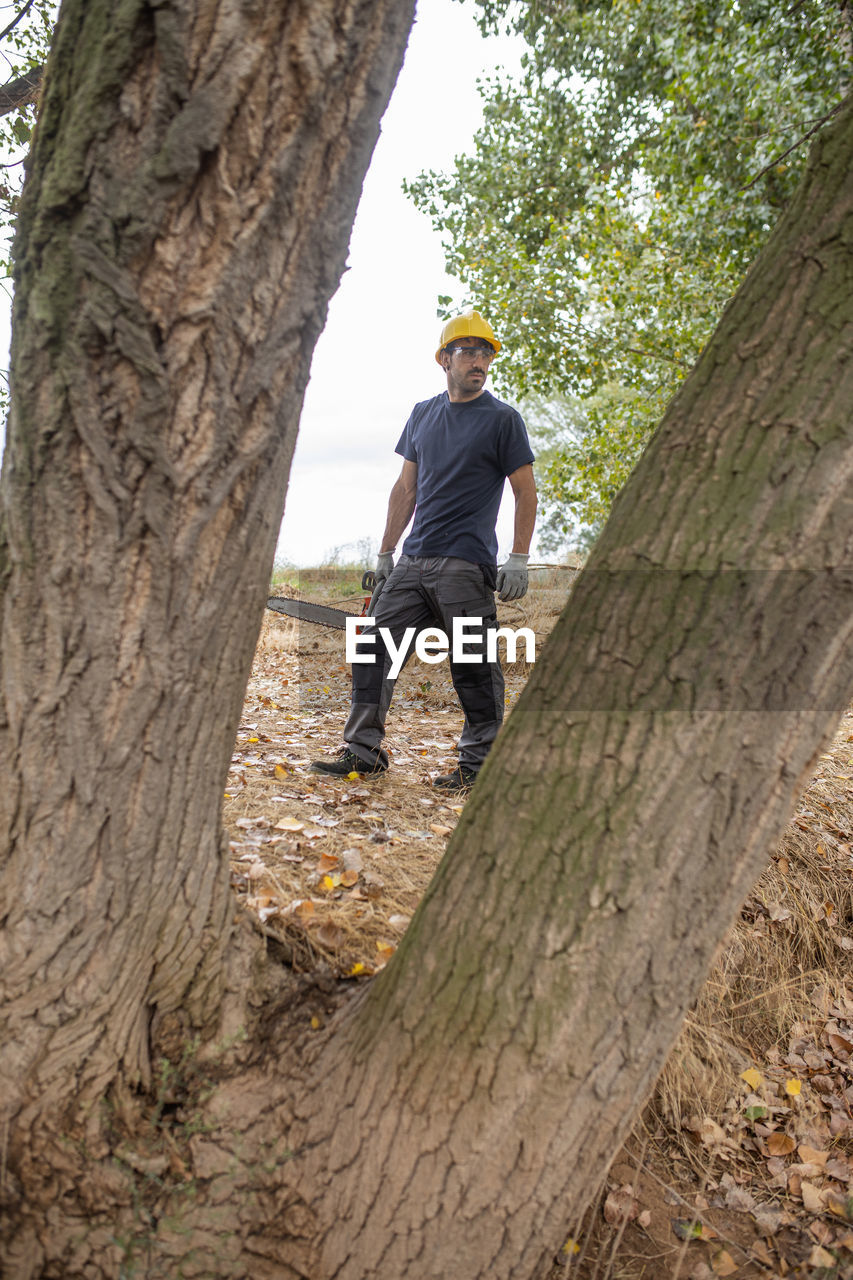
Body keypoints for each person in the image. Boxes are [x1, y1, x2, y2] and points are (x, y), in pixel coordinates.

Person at [311, 310, 537, 792]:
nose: (480, 362)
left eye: (486, 354)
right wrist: (385, 552)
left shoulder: (503, 420)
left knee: (473, 665)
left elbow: (526, 492)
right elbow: (405, 489)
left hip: (466, 562)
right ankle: (363, 751)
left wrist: (518, 557)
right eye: (469, 352)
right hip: (413, 561)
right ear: (444, 359)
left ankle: (479, 765)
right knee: (374, 649)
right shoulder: (422, 414)